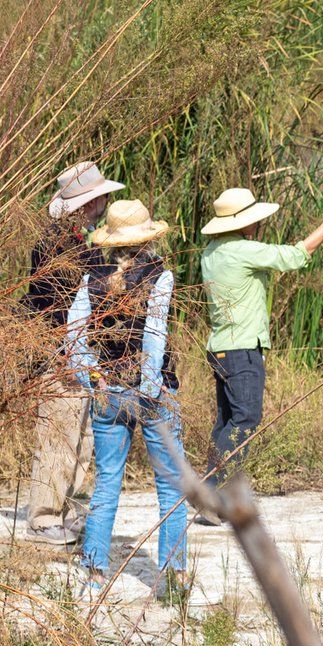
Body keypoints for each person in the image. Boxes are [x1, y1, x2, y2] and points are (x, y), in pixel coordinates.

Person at [63, 199, 192, 597]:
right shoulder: (160, 275)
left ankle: (93, 576)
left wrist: (93, 378)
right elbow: (154, 336)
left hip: (109, 390)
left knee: (106, 486)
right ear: (148, 237)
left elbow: (73, 337)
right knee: (171, 487)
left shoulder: (92, 277)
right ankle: (172, 581)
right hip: (150, 391)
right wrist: (150, 389)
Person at [199, 185, 323, 484]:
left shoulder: (210, 253)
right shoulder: (243, 250)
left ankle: (212, 488)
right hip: (242, 350)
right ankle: (211, 489)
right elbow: (297, 256)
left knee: (226, 421)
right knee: (246, 419)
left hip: (219, 348)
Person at [18, 160, 124, 543]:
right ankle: (44, 517)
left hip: (81, 352)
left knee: (82, 439)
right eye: (100, 198)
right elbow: (57, 303)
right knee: (59, 436)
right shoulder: (57, 245)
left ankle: (68, 511)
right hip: (60, 351)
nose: (106, 202)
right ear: (85, 204)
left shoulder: (81, 242)